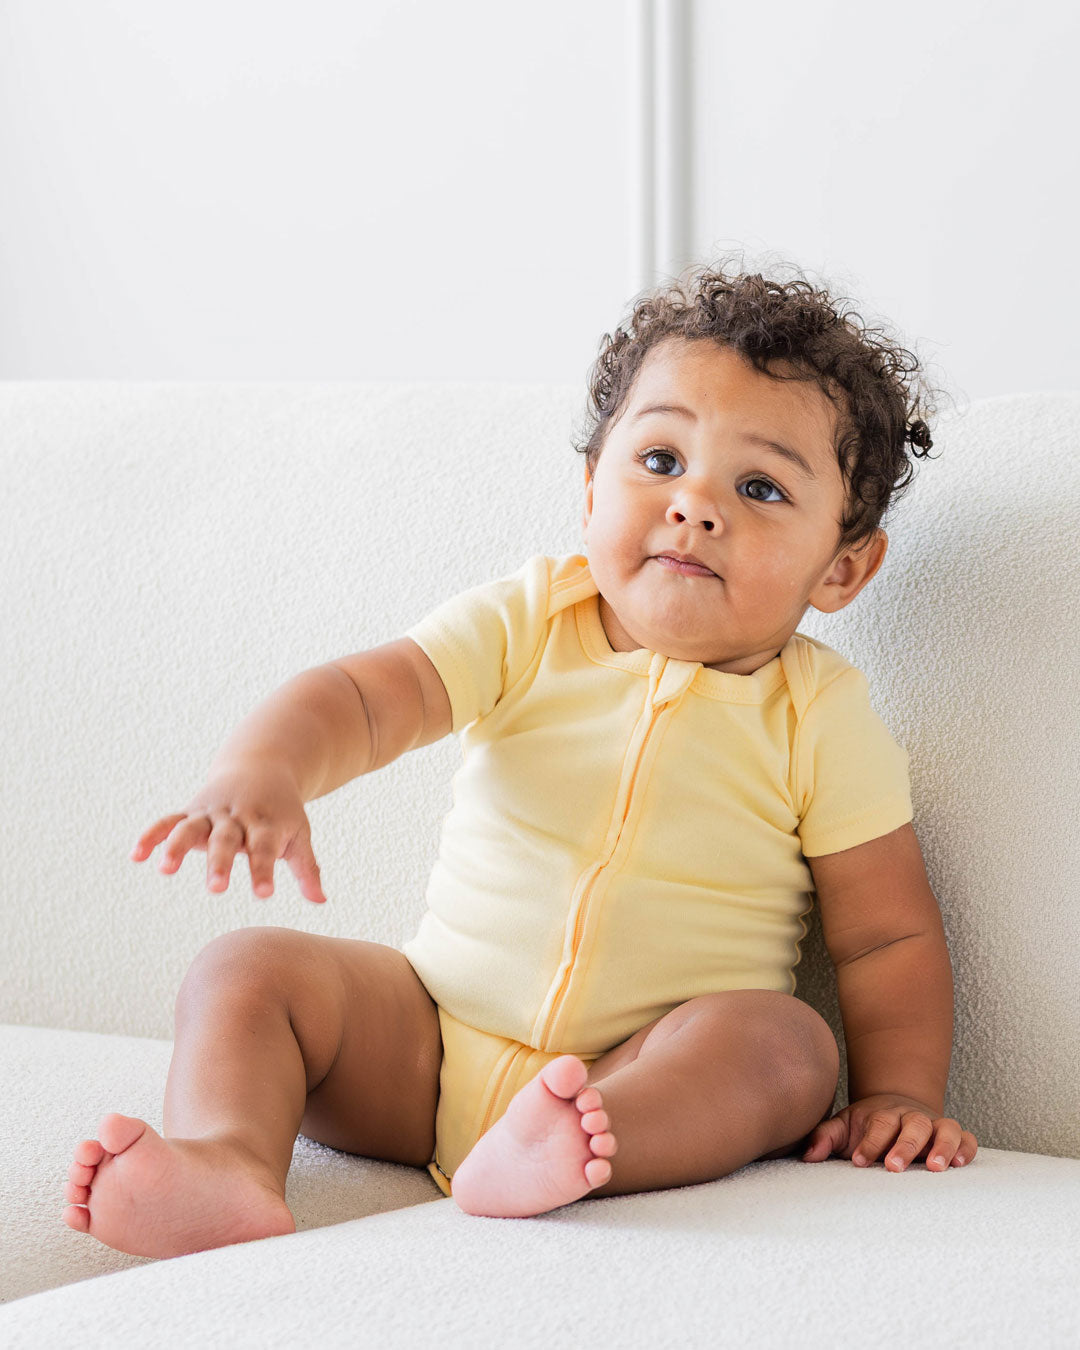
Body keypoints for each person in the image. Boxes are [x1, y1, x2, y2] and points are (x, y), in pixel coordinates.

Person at [62, 258, 978, 1256]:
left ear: (843, 566)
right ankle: (226, 1160)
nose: (695, 506)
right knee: (247, 970)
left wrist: (896, 1094)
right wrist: (266, 769)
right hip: (431, 1046)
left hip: (642, 1071)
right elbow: (370, 698)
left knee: (786, 1046)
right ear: (593, 486)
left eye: (759, 486)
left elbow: (885, 937)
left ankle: (586, 1147)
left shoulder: (820, 715)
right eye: (662, 461)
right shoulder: (533, 620)